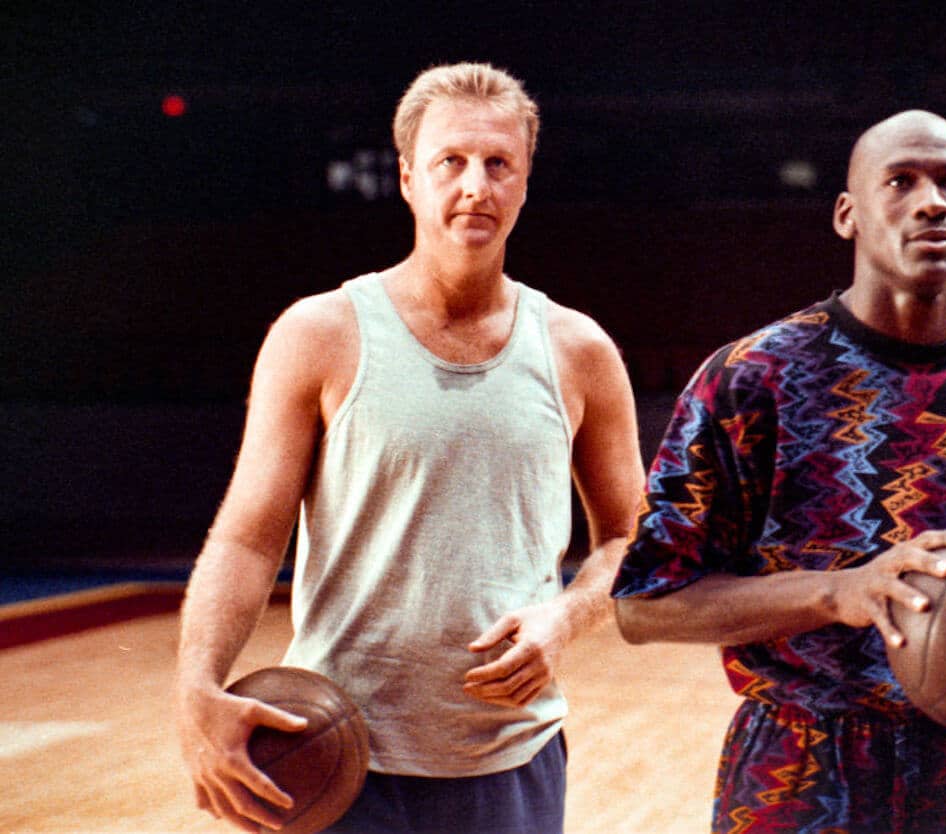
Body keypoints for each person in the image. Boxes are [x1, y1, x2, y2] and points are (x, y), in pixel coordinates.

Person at [611, 110, 946, 834]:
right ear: (847, 215)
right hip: (795, 773)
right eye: (901, 181)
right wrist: (839, 591)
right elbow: (643, 606)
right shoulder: (750, 383)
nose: (933, 201)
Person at [174, 62, 644, 834]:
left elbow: (629, 536)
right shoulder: (319, 333)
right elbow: (249, 537)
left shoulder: (578, 349)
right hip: (333, 757)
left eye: (499, 165)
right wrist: (195, 688)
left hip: (509, 753)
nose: (475, 185)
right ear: (406, 178)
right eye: (450, 162)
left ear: (525, 183)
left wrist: (565, 618)